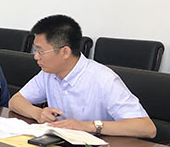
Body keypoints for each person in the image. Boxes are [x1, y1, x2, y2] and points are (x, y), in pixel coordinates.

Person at [9, 14, 156, 139]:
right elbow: (15, 101)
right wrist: (38, 113)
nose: (35, 57)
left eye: (40, 51)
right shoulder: (48, 73)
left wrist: (88, 126)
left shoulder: (103, 79)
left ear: (65, 52)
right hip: (62, 146)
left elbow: (147, 128)